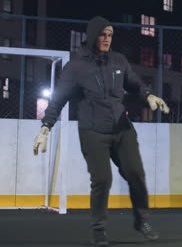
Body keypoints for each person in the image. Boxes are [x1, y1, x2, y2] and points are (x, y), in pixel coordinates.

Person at [32, 16, 169, 247]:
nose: (107, 39)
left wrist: (149, 95)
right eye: (102, 35)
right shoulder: (76, 67)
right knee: (102, 179)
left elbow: (134, 83)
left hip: (121, 128)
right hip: (92, 131)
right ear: (94, 35)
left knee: (136, 173)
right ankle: (98, 230)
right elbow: (58, 100)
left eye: (110, 35)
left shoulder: (119, 60)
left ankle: (141, 220)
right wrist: (45, 128)